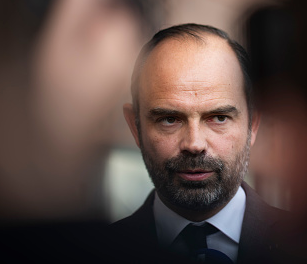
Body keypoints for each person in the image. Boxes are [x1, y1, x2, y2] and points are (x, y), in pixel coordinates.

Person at [113, 24, 289, 264]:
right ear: (135, 127)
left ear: (253, 123)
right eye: (169, 119)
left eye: (218, 118)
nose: (194, 144)